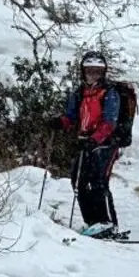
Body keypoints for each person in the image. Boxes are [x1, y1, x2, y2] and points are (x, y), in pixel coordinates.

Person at [50, 51, 121, 239]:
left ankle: (107, 223)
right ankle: (93, 223)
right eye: (89, 71)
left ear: (103, 73)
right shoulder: (79, 92)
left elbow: (110, 122)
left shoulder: (110, 93)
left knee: (98, 182)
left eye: (97, 72)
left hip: (105, 144)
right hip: (85, 142)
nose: (93, 75)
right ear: (83, 72)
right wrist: (60, 122)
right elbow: (72, 117)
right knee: (79, 181)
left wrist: (95, 139)